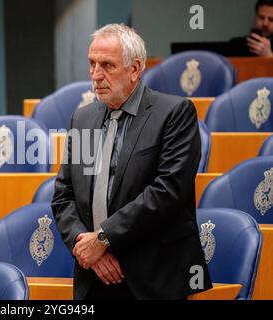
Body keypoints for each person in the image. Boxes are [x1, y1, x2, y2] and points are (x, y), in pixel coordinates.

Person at [51, 24, 212, 300]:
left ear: (135, 69)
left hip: (153, 277)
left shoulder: (174, 113)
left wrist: (103, 239)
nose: (96, 75)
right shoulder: (83, 118)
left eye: (107, 65)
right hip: (95, 275)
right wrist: (85, 244)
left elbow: (168, 191)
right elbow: (64, 195)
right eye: (92, 64)